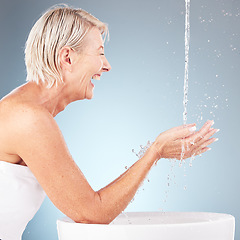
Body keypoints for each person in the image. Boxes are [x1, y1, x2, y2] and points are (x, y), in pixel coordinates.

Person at [0, 5, 218, 240]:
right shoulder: (28, 117)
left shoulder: (26, 110)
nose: (107, 65)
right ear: (68, 57)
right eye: (100, 52)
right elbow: (92, 214)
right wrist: (155, 152)